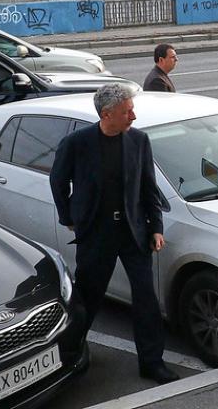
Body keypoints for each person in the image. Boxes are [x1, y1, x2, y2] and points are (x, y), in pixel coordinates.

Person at [50, 83, 179, 385]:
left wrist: (156, 227)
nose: (133, 116)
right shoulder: (77, 143)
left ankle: (152, 363)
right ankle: (72, 353)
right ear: (107, 114)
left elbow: (149, 188)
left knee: (146, 299)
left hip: (134, 232)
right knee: (88, 297)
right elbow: (58, 182)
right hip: (97, 233)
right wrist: (69, 217)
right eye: (127, 111)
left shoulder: (139, 141)